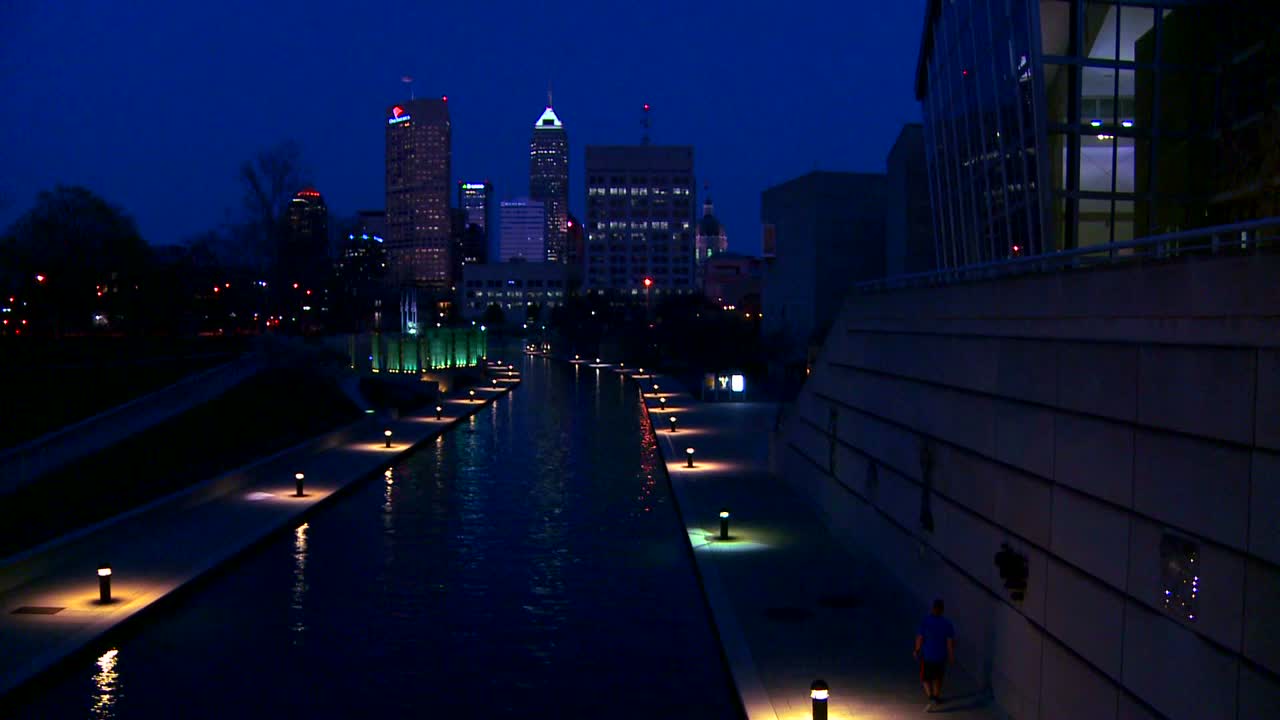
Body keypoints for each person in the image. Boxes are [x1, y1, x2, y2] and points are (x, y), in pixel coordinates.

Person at [914, 598, 955, 712]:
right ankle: (936, 697)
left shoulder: (925, 622)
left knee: (925, 678)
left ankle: (931, 697)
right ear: (942, 610)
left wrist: (917, 650)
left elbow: (920, 638)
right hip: (941, 656)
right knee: (938, 677)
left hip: (927, 655)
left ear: (933, 609)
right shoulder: (947, 624)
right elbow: (950, 642)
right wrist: (951, 655)